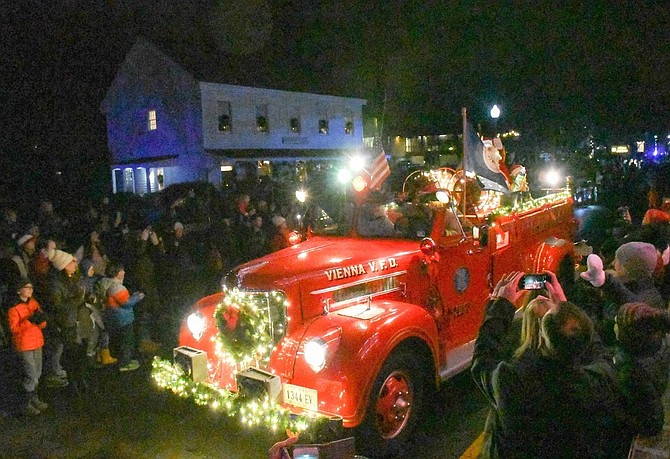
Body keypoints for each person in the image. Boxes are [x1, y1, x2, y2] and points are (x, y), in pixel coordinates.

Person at [471, 271, 621, 458]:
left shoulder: (512, 382)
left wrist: (501, 305)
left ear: (544, 337)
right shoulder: (597, 381)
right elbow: (599, 351)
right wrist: (566, 308)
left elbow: (483, 356)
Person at [608, 302, 670, 457]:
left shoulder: (631, 371)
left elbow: (653, 423)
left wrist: (616, 412)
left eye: (617, 322)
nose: (614, 322)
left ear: (627, 334)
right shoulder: (658, 340)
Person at [47, 248, 89, 394]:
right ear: (64, 265)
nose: (75, 263)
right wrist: (77, 300)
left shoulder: (72, 278)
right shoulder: (56, 284)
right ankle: (73, 382)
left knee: (80, 353)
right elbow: (57, 306)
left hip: (78, 320)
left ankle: (80, 378)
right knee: (72, 354)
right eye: (72, 261)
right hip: (67, 323)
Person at [580, 242, 665, 310]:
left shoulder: (641, 302)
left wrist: (605, 279)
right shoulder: (648, 289)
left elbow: (627, 299)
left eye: (617, 260)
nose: (613, 263)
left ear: (626, 267)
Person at [7, 278, 49, 415]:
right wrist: (29, 321)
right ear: (19, 290)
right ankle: (26, 404)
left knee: (37, 373)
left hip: (36, 341)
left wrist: (42, 321)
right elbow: (13, 328)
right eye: (27, 287)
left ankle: (33, 399)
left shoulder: (33, 303)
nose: (30, 289)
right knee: (31, 375)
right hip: (25, 344)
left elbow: (41, 321)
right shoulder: (14, 308)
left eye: (31, 287)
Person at [103, 262, 144, 372]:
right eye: (121, 270)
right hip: (123, 319)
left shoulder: (107, 283)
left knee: (120, 340)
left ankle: (124, 360)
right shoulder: (117, 287)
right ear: (116, 273)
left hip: (114, 318)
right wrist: (138, 297)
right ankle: (125, 363)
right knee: (127, 342)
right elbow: (126, 303)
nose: (124, 272)